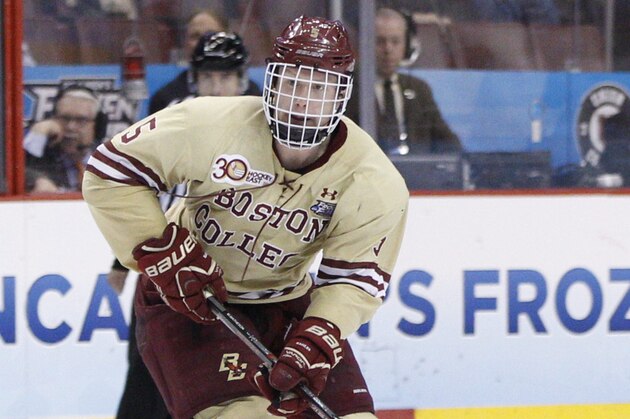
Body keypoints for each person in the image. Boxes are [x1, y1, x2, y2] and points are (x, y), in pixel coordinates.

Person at [84, 15, 408, 419]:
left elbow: (353, 279)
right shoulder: (210, 123)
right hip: (189, 301)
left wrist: (319, 335)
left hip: (286, 299)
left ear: (342, 95)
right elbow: (110, 170)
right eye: (292, 83)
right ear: (270, 81)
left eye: (318, 88)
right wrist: (160, 251)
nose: (302, 101)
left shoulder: (372, 179)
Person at [110, 30, 258, 419]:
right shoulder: (172, 118)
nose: (217, 86)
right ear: (195, 79)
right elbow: (139, 189)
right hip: (166, 266)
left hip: (237, 276)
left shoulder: (265, 124)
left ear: (242, 79)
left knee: (224, 381)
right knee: (147, 374)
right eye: (209, 77)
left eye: (226, 77)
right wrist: (119, 258)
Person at [346, 7, 461, 155]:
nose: (388, 49)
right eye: (380, 41)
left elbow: (450, 144)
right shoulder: (346, 88)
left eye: (395, 41)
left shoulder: (419, 89)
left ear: (407, 47)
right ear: (364, 43)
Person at [23, 84, 107, 191]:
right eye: (64, 118)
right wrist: (38, 134)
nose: (70, 127)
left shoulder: (109, 162)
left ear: (98, 126)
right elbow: (16, 171)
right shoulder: (42, 160)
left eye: (81, 120)